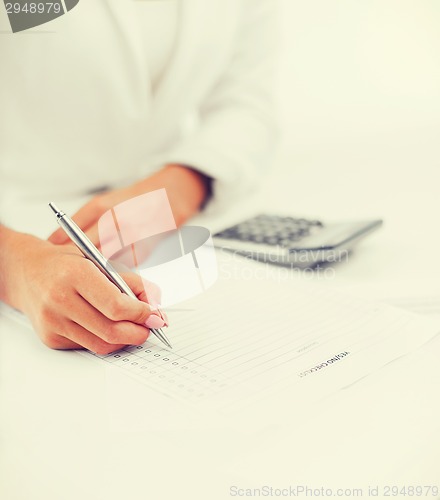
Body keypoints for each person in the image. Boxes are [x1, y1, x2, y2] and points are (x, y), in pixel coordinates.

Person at [0, 0, 278, 353]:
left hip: (168, 222)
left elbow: (246, 103)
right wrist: (14, 267)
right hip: (21, 219)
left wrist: (182, 184)